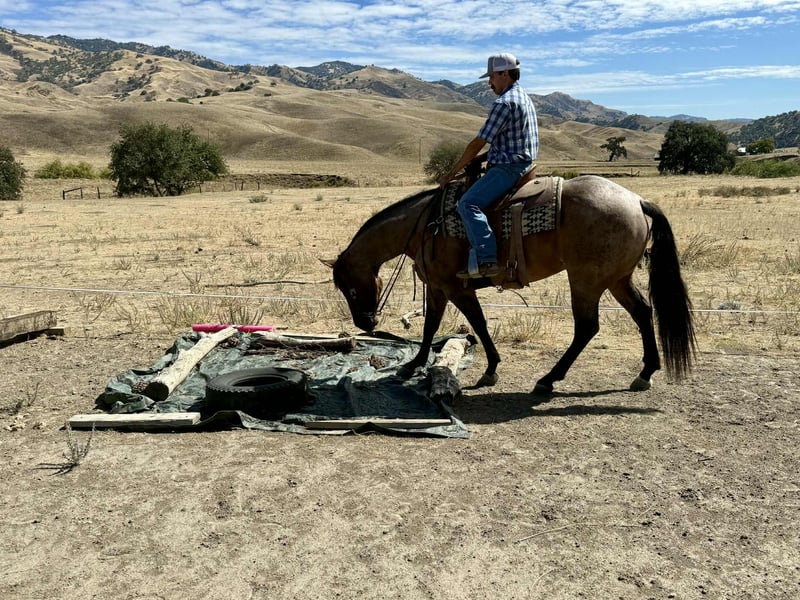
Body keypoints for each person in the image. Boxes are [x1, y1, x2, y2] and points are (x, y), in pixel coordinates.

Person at [439, 53, 539, 278]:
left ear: (505, 74)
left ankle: (486, 260)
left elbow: (478, 142)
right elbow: (508, 142)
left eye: (492, 76)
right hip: (524, 164)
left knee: (468, 204)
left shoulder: (504, 103)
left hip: (509, 168)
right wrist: (481, 159)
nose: (489, 82)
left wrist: (451, 173)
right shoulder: (524, 97)